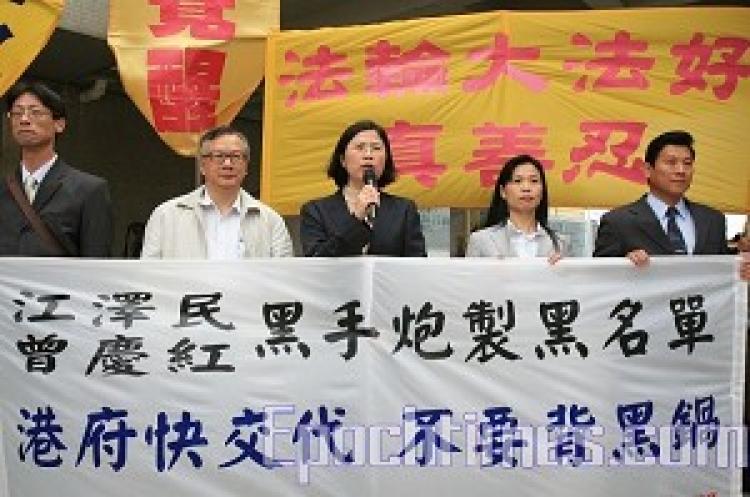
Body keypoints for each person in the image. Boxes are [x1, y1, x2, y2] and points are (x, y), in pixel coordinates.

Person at [141, 125, 292, 259]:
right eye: (219, 156)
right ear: (202, 165)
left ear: (246, 166)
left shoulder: (270, 221)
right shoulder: (166, 216)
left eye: (236, 156)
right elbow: (149, 277)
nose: (227, 164)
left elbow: (283, 280)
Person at [0, 81, 113, 256]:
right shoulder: (4, 188)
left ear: (59, 124)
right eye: (16, 113)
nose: (24, 119)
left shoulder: (89, 190)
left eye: (35, 112)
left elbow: (96, 264)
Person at [594, 130, 731, 263]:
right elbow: (602, 279)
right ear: (648, 170)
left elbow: (726, 274)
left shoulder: (713, 221)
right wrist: (624, 266)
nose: (681, 170)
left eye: (687, 163)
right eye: (671, 162)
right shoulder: (618, 223)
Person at [300, 120, 426, 257]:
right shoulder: (316, 211)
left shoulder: (404, 210)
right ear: (342, 160)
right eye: (360, 148)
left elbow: (417, 265)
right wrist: (356, 219)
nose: (368, 155)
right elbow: (316, 261)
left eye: (376, 148)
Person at [466, 154, 562, 264]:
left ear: (542, 191)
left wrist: (560, 271)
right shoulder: (481, 239)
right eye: (517, 181)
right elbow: (469, 279)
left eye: (534, 181)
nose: (526, 188)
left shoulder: (560, 244)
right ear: (503, 192)